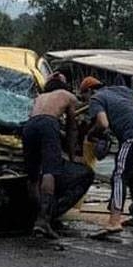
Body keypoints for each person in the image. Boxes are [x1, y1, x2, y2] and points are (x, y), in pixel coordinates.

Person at [81, 76, 133, 231]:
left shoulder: (96, 98)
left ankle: (114, 221)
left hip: (132, 135)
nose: (85, 99)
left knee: (119, 176)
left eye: (83, 96)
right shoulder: (122, 90)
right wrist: (131, 114)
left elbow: (103, 123)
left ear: (89, 91)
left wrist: (92, 134)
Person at [22, 78, 93, 238]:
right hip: (49, 123)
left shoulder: (39, 97)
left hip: (29, 126)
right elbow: (72, 127)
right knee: (50, 171)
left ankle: (35, 216)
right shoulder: (68, 96)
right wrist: (72, 154)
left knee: (33, 176)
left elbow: (34, 118)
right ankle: (44, 221)